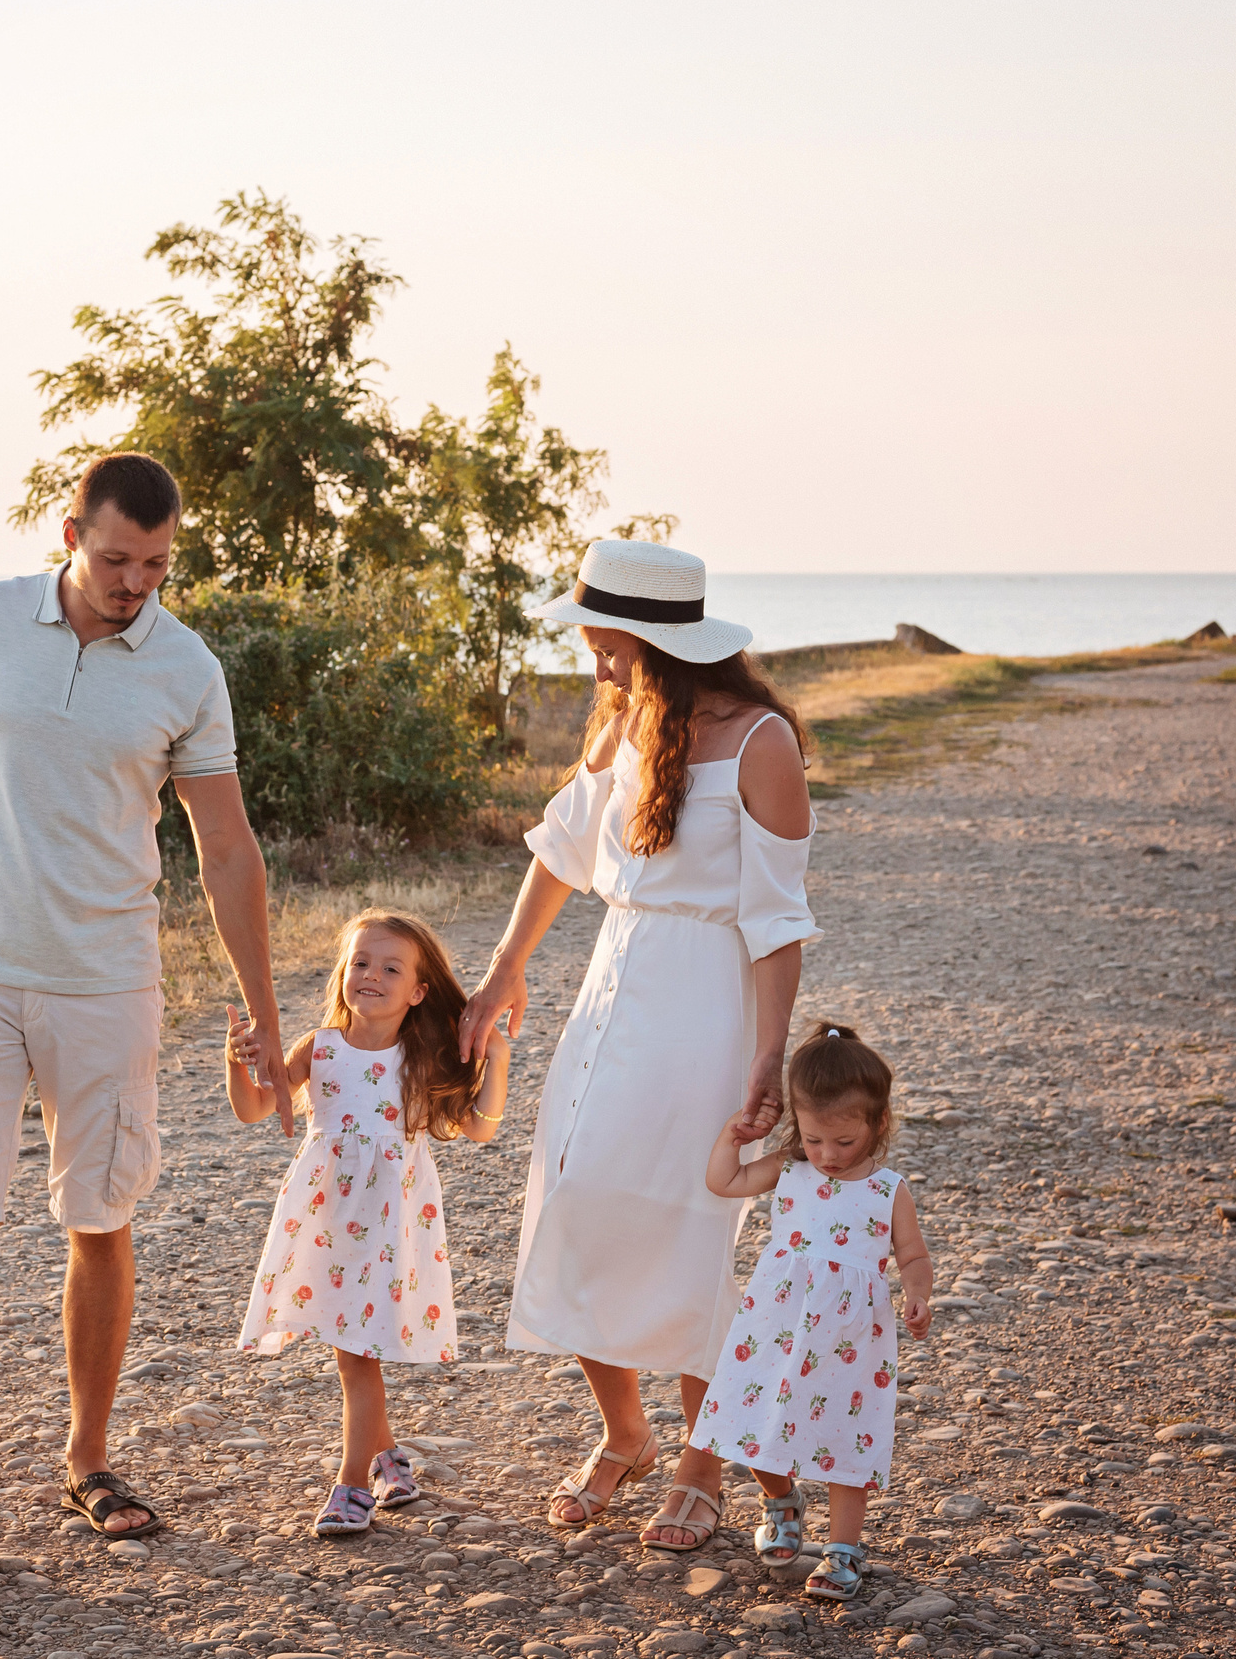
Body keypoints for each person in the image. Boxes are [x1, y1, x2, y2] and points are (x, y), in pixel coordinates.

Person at [0, 452, 293, 1559]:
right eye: (113, 557)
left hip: (106, 978)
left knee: (99, 1216)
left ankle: (87, 1456)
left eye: (154, 562)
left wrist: (260, 1007)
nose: (133, 580)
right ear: (67, 533)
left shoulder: (186, 668)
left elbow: (226, 847)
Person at [455, 536, 818, 1552]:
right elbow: (561, 850)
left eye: (604, 641)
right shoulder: (619, 721)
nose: (593, 659)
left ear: (655, 638)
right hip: (612, 991)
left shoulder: (760, 743)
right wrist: (503, 969)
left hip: (706, 1004)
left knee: (692, 1230)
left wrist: (767, 1052)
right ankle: (627, 1430)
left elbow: (778, 917)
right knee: (572, 1204)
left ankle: (704, 1458)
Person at [226, 910, 511, 1536]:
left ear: (418, 991)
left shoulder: (421, 1056)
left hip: (388, 1224)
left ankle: (353, 1483)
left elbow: (482, 1128)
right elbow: (254, 1109)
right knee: (350, 1349)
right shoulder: (320, 1047)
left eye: (391, 968)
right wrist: (238, 1060)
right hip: (326, 1217)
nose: (371, 976)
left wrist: (498, 1055)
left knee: (357, 1355)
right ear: (342, 972)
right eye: (360, 963)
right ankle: (388, 1460)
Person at [686, 1022, 932, 1602]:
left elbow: (913, 1254)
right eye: (816, 1139)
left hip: (851, 1336)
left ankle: (845, 1547)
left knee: (850, 1440)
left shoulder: (886, 1189)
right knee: (752, 1421)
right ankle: (781, 1499)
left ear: (878, 1124)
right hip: (776, 1324)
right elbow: (725, 1181)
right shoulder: (790, 1168)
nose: (827, 1156)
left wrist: (918, 1294)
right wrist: (732, 1135)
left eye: (845, 1143)